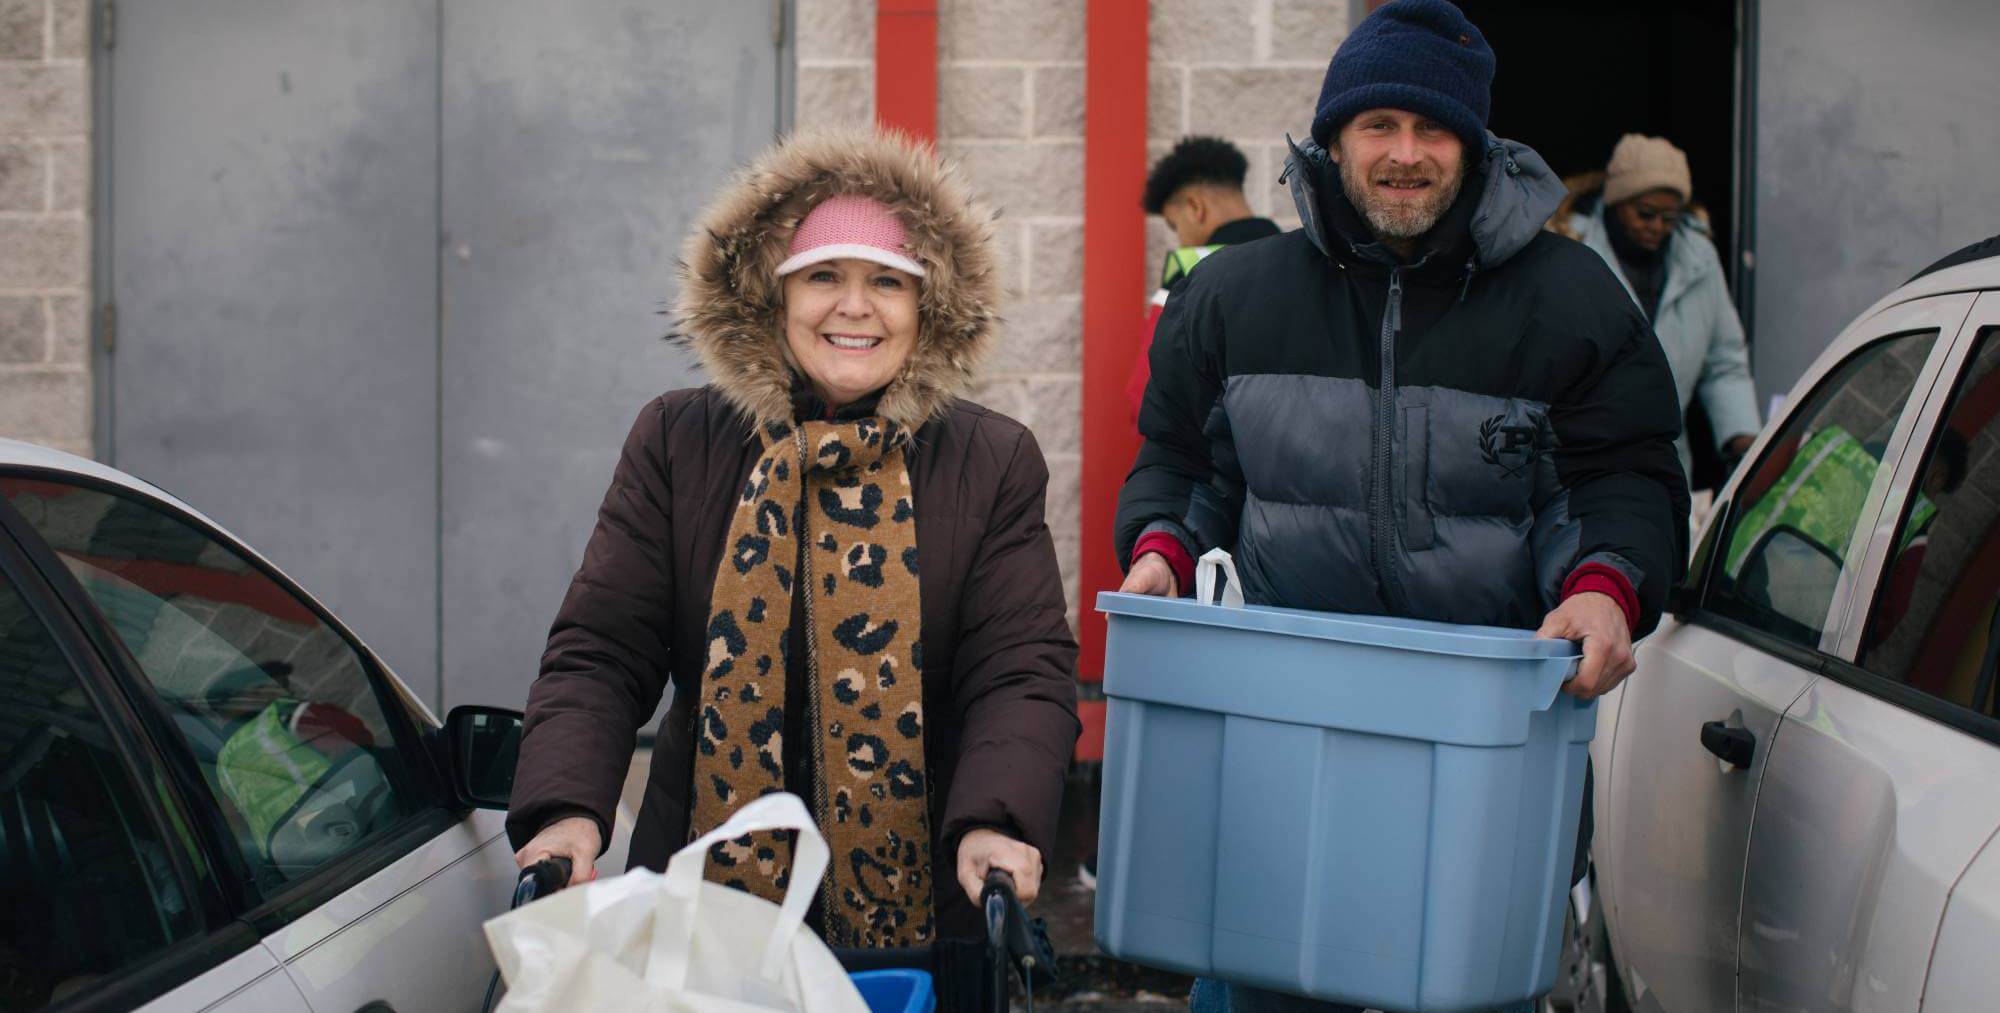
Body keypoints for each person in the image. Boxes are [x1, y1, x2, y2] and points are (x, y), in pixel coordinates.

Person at [1112, 2, 1690, 1009]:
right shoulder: (1236, 297)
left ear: (1476, 145)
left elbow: (1623, 474)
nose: (1405, 154)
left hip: (1482, 755)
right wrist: (1163, 547)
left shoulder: (1571, 299)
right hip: (1277, 748)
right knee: (1258, 979)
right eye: (1378, 124)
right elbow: (1184, 464)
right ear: (1333, 138)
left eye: (1434, 129)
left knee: (1472, 983)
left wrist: (1605, 586)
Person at [506, 127, 1081, 962]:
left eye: (887, 280)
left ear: (929, 307)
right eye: (822, 276)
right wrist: (567, 806)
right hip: (702, 901)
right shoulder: (679, 440)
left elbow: (1019, 668)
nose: (855, 306)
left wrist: (996, 817)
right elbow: (602, 648)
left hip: (922, 911)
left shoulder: (990, 460)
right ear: (771, 297)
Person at [1552, 134, 1761, 483]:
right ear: (1616, 202)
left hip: (1667, 468)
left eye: (1670, 217)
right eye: (1645, 214)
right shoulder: (1570, 252)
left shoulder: (1699, 259)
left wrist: (1744, 439)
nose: (1657, 227)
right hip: (1581, 466)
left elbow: (1724, 361)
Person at [1127, 137, 1283, 421]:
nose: (1180, 239)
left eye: (1174, 225)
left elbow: (1145, 396)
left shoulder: (1188, 272)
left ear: (1195, 207)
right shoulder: (1308, 257)